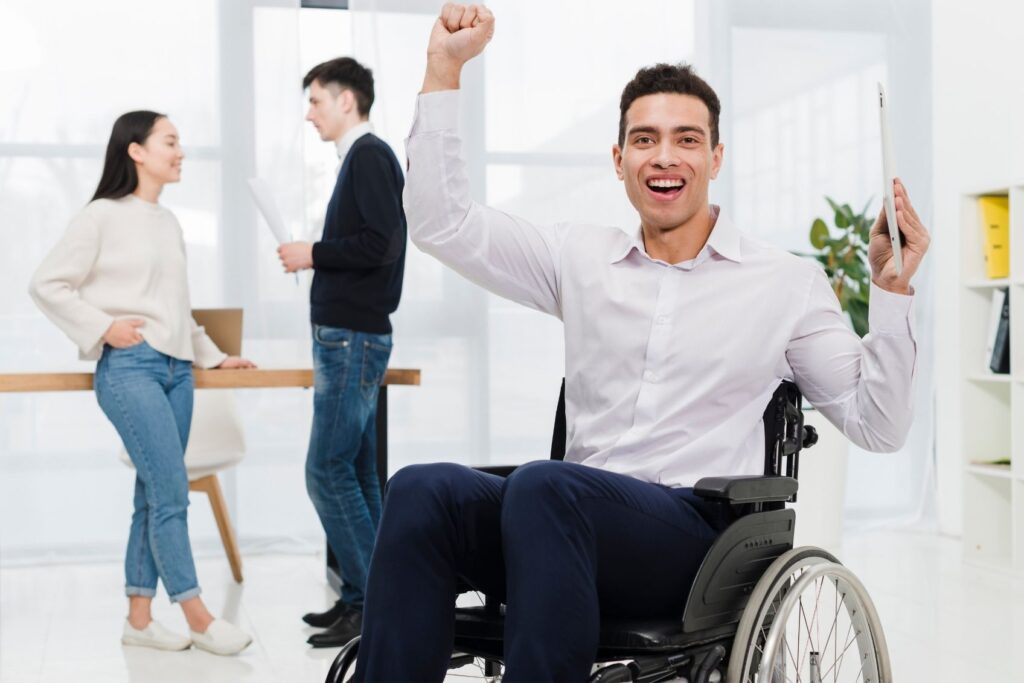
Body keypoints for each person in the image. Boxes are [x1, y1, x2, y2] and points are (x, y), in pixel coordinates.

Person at [352, 4, 930, 682]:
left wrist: (890, 294)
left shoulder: (785, 284)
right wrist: (443, 68)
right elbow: (443, 224)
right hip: (559, 527)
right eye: (645, 139)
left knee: (547, 487)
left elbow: (879, 424)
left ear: (715, 157)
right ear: (619, 158)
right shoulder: (580, 257)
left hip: (690, 543)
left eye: (686, 139)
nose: (664, 156)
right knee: (422, 490)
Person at [29, 111, 257, 656]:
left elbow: (177, 308)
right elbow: (46, 283)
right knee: (172, 491)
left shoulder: (168, 222)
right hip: (131, 370)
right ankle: (197, 615)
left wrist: (214, 357)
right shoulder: (101, 217)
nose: (181, 152)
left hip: (178, 371)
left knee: (152, 494)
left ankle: (139, 617)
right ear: (136, 151)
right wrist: (103, 326)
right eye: (170, 142)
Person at [276, 57, 407, 648]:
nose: (310, 114)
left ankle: (376, 601)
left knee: (325, 470)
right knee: (352, 469)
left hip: (351, 336)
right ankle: (368, 599)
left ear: (346, 101)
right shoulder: (360, 159)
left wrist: (314, 253)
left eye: (316, 101)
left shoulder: (370, 156)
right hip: (348, 334)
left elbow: (380, 244)